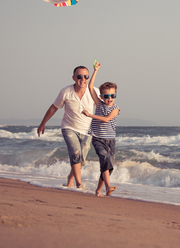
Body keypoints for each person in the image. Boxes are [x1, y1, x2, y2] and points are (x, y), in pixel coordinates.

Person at [38, 66, 99, 188]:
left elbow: (102, 109)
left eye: (86, 76)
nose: (83, 79)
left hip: (88, 130)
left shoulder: (94, 91)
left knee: (80, 159)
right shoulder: (66, 91)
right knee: (75, 153)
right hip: (69, 127)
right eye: (79, 76)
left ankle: (70, 179)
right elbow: (54, 107)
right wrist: (43, 123)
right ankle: (79, 183)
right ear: (73, 78)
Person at [82, 61, 120, 197]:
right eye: (106, 96)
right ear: (101, 96)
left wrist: (90, 115)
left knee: (107, 168)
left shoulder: (115, 109)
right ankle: (108, 187)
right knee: (105, 161)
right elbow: (90, 87)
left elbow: (106, 119)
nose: (109, 98)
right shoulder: (98, 104)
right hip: (98, 139)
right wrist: (95, 70)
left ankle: (99, 190)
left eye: (112, 96)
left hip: (110, 141)